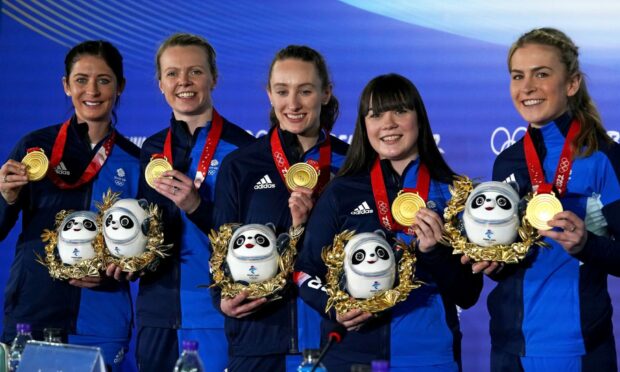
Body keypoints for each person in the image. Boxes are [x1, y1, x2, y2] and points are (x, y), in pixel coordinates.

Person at [295, 73, 483, 371]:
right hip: (352, 356)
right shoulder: (340, 191)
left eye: (400, 110)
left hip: (429, 357)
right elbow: (304, 272)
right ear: (364, 125)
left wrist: (434, 252)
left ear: (418, 118)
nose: (388, 123)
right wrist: (334, 307)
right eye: (376, 114)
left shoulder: (453, 192)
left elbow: (468, 294)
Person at [471, 27, 620, 371]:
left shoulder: (603, 157)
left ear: (571, 84)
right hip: (509, 348)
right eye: (517, 76)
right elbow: (513, 261)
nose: (527, 88)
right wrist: (493, 259)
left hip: (578, 349)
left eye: (541, 74)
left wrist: (587, 244)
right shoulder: (507, 161)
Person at [0, 40, 140, 370]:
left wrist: (116, 273)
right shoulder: (34, 148)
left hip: (100, 319)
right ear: (66, 86)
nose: (92, 90)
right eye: (80, 79)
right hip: (32, 313)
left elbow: (145, 252)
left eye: (104, 80)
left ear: (120, 86)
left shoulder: (135, 162)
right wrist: (5, 197)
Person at [212, 45, 349, 371]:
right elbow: (219, 247)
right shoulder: (241, 165)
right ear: (269, 95)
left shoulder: (353, 164)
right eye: (282, 91)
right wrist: (222, 299)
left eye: (305, 91)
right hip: (259, 338)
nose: (293, 103)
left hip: (334, 339)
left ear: (325, 93)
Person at [135, 33, 255, 372]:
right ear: (160, 83)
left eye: (195, 72)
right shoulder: (152, 149)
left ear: (214, 78)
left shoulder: (243, 149)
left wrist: (196, 206)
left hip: (215, 311)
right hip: (156, 312)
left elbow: (251, 235)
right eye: (172, 73)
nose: (183, 82)